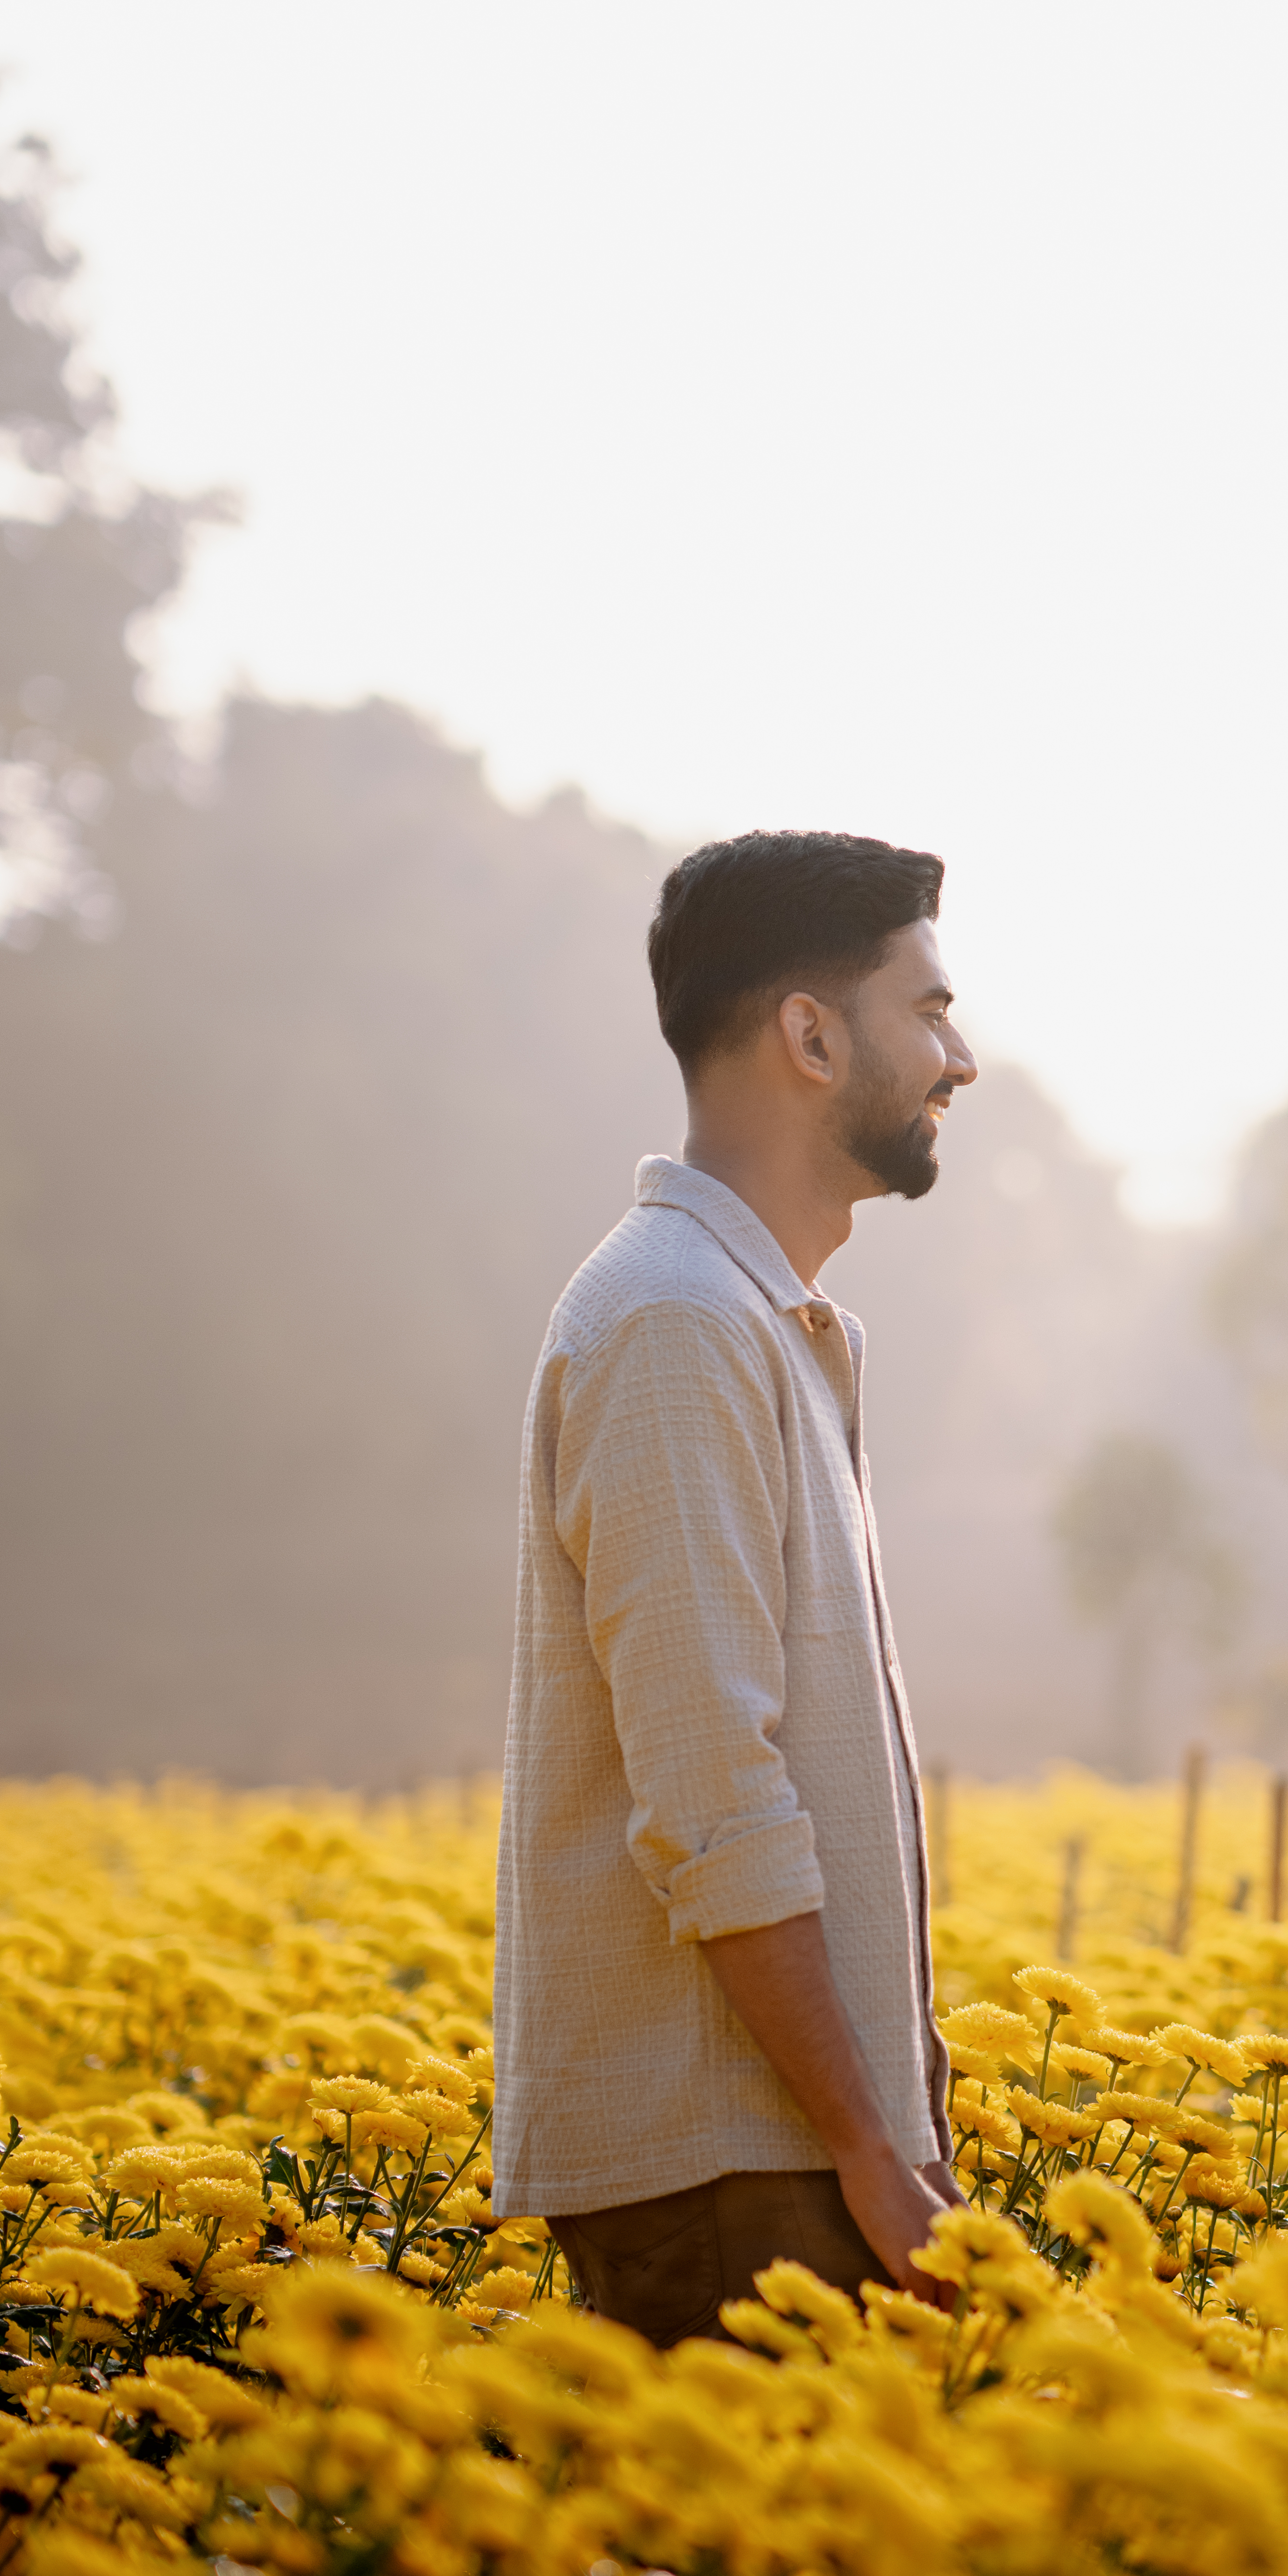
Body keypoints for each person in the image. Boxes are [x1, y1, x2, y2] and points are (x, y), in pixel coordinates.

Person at [491, 828, 978, 2346]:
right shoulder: (677, 1325)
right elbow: (713, 1796)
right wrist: (865, 2140)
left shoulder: (757, 1319)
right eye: (930, 1011)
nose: (962, 1059)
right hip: (733, 2162)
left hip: (786, 2149)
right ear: (812, 1038)